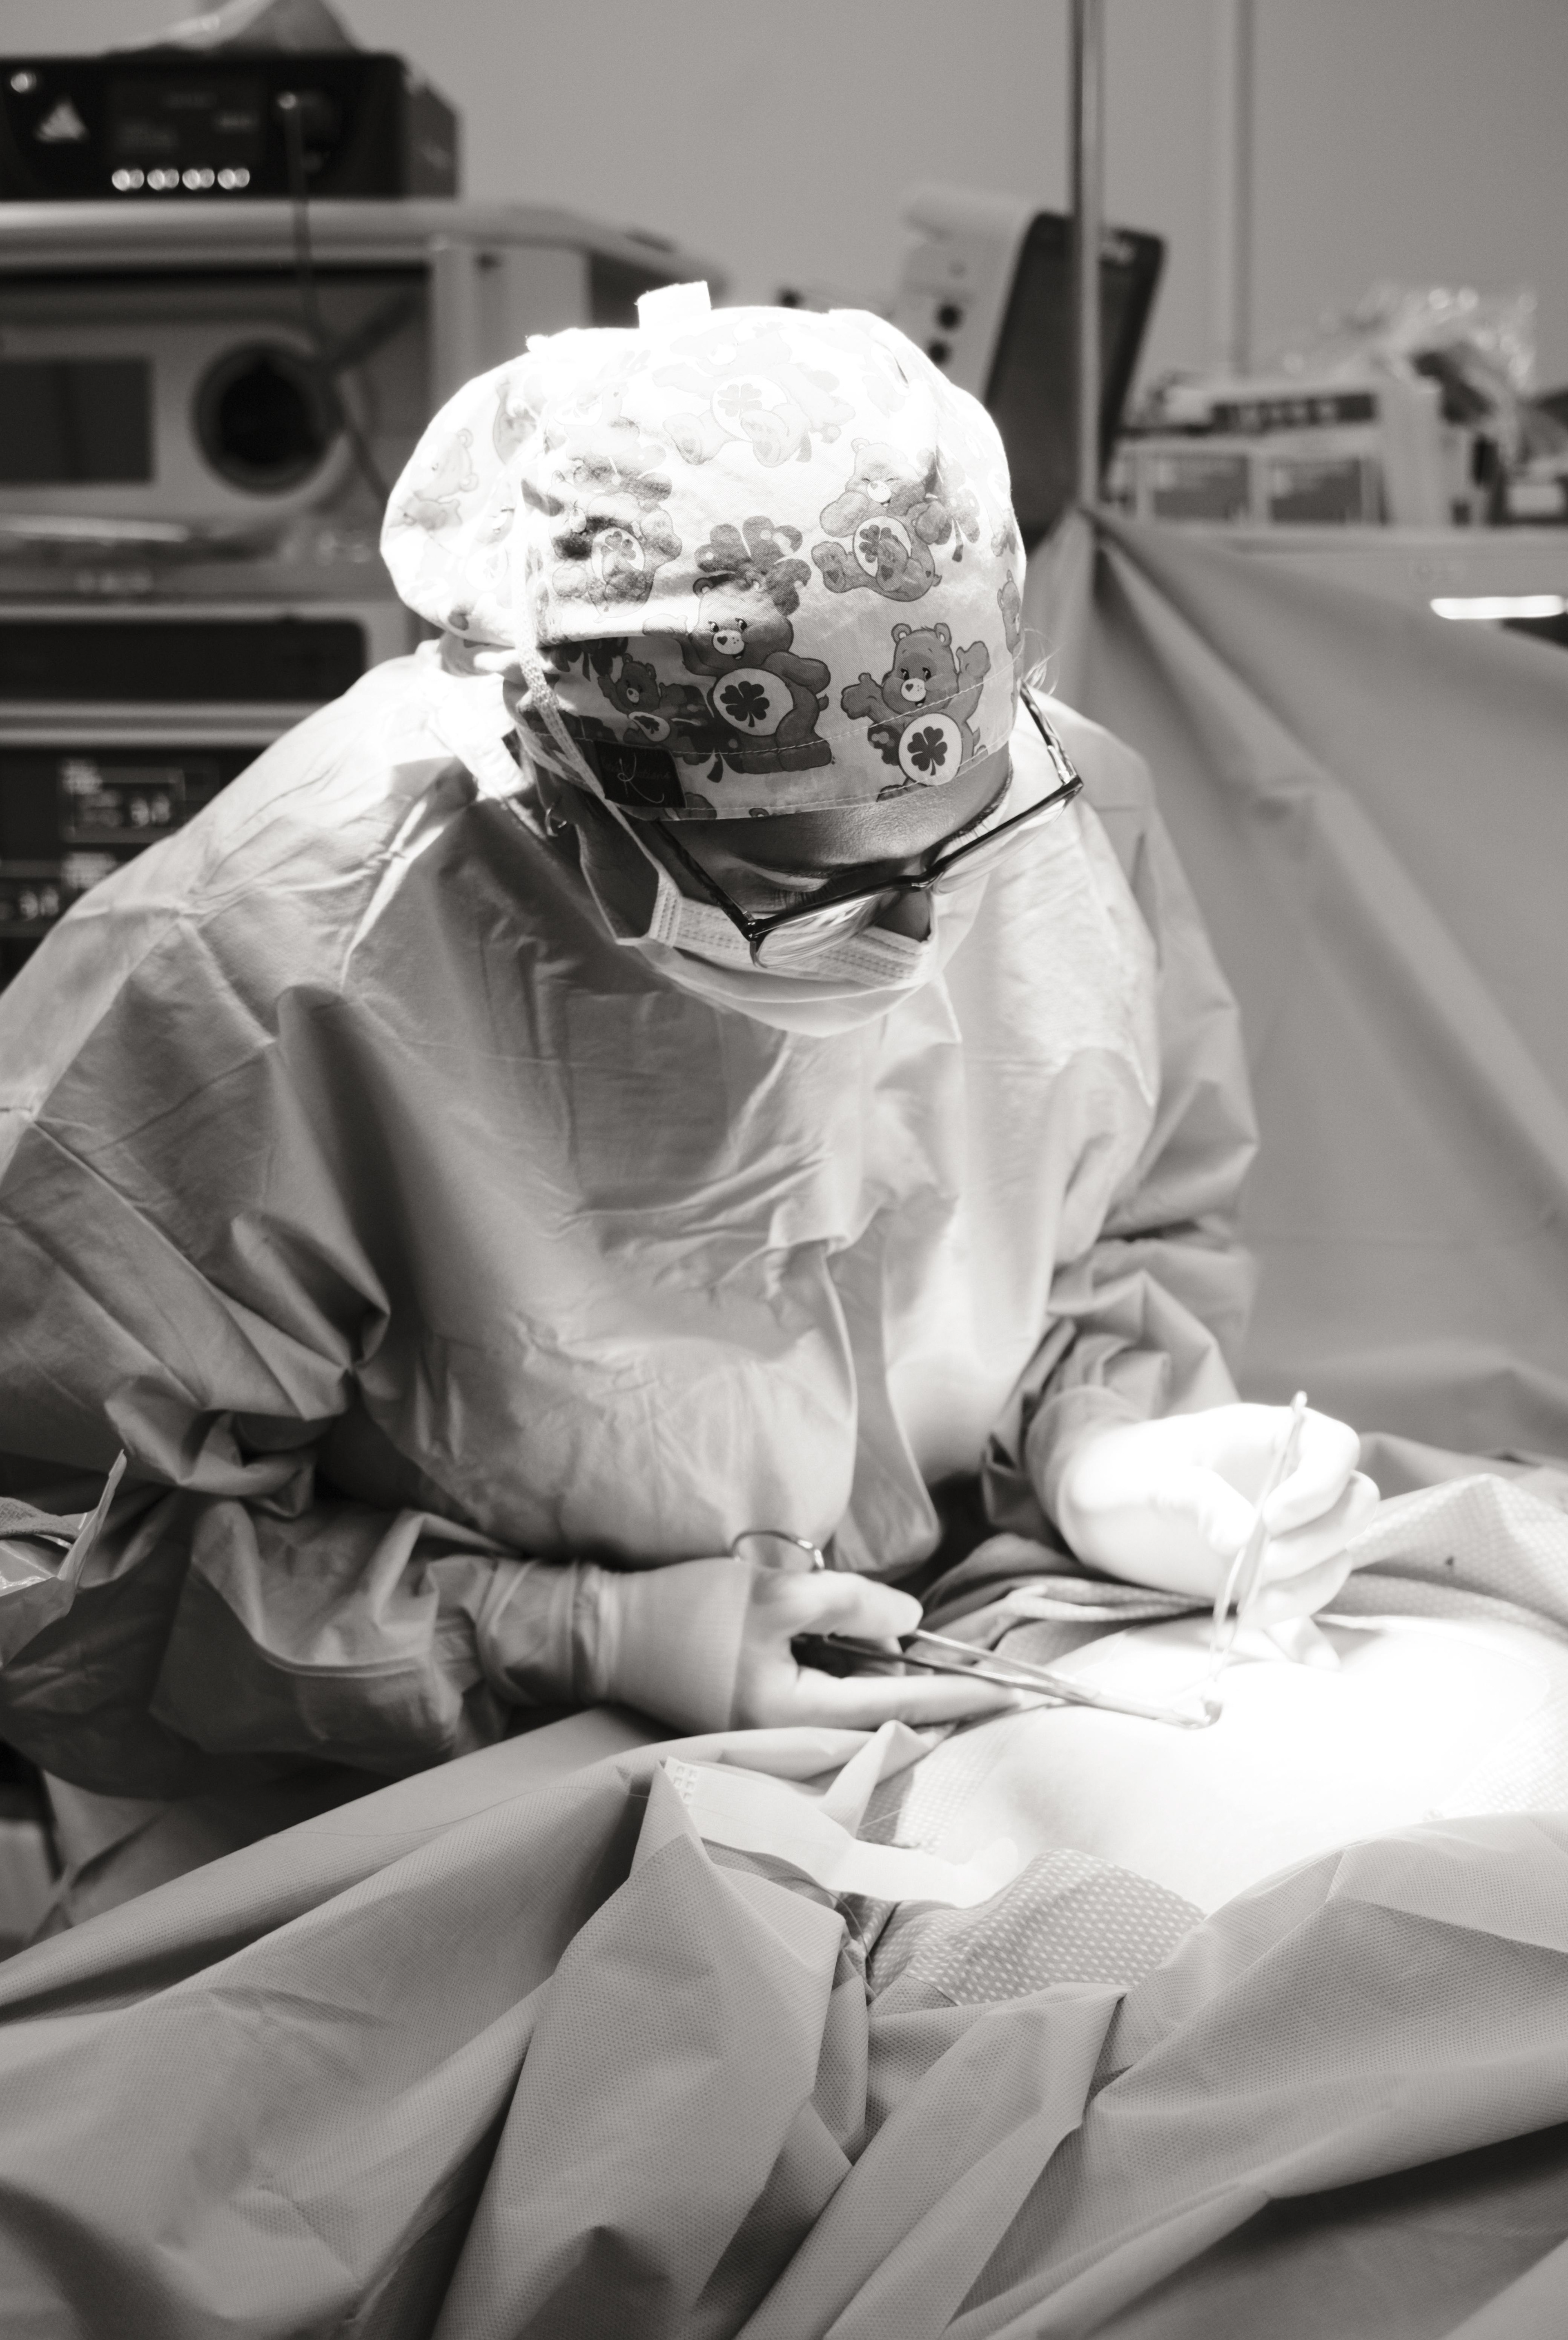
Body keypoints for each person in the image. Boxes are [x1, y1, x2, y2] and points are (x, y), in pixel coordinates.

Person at [0, 285, 1375, 1818]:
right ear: (568, 781)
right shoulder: (263, 967)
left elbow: (1136, 1217)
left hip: (959, 1651)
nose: (925, 929)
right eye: (817, 888)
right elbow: (62, 1555)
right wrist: (571, 1636)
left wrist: (1106, 1442)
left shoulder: (1063, 803)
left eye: (969, 835)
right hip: (423, 1782)